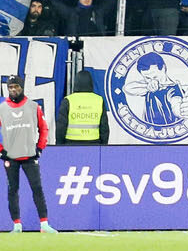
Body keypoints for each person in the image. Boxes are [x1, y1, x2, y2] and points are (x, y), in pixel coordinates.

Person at [1, 76, 55, 232]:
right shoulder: (2, 108)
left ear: (22, 87)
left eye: (16, 87)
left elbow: (43, 128)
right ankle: (17, 225)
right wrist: (1, 151)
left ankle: (44, 224)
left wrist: (40, 147)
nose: (13, 90)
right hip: (11, 157)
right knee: (12, 190)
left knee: (37, 188)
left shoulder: (33, 106)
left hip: (30, 156)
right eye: (10, 87)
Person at [56, 69, 109, 145]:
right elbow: (104, 127)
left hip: (71, 145)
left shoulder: (68, 100)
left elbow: (61, 126)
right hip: (94, 144)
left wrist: (59, 145)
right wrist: (103, 146)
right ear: (91, 83)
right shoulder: (99, 100)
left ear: (76, 83)